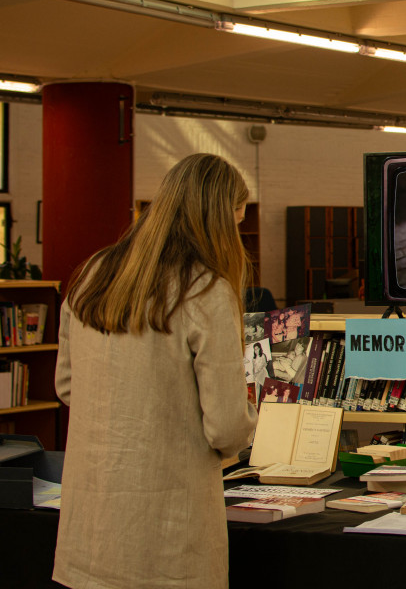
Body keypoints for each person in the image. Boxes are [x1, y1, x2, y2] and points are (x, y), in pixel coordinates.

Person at [53, 153, 258, 589]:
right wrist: (251, 423)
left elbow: (67, 386)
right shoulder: (205, 290)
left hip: (88, 527)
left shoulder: (91, 274)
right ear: (220, 220)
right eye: (237, 223)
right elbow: (225, 427)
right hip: (168, 530)